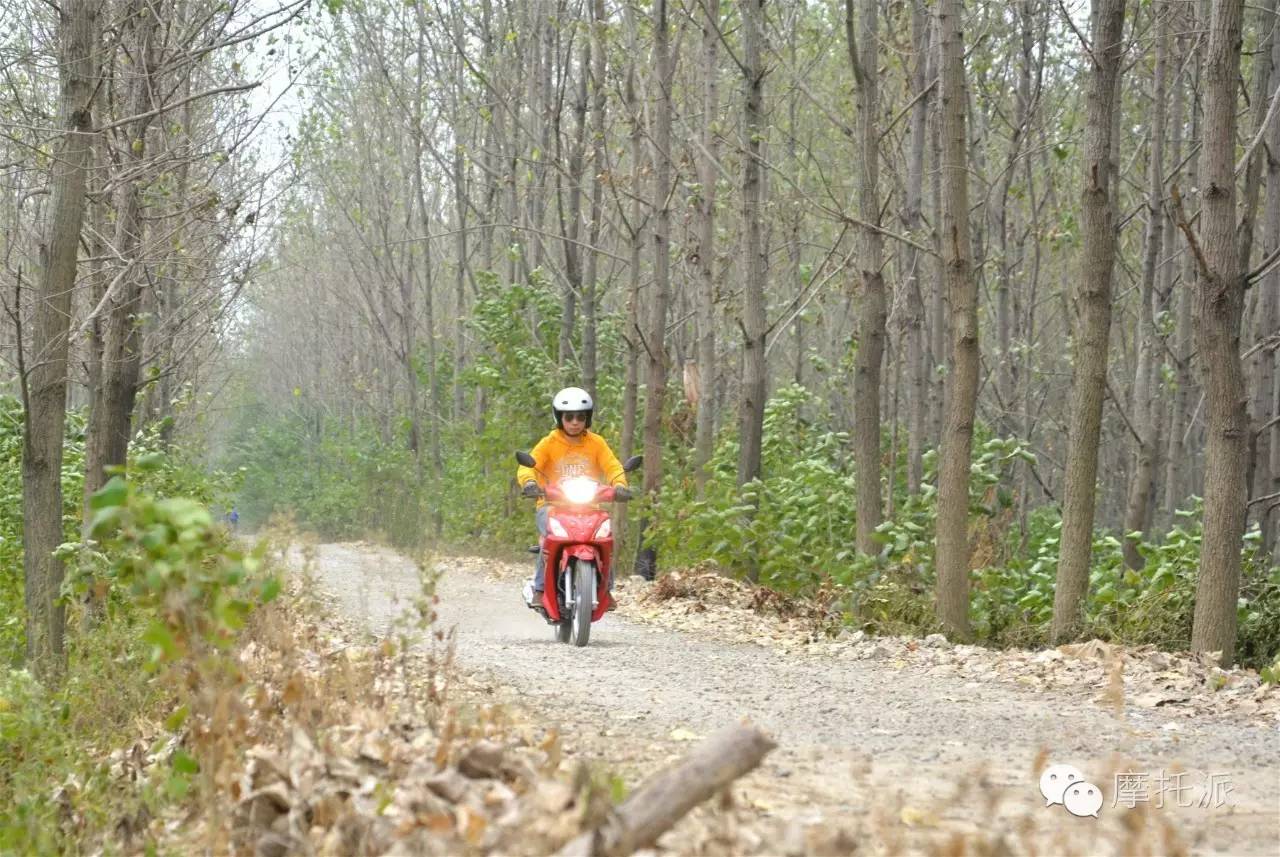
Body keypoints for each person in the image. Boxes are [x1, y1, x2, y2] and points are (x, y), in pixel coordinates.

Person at [517, 386, 631, 607]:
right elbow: (528, 466)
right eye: (569, 417)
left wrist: (620, 485)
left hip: (589, 507)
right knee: (549, 540)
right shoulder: (549, 442)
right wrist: (530, 483)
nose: (575, 422)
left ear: (587, 418)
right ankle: (540, 589)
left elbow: (613, 466)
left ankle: (606, 590)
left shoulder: (596, 443)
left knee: (605, 538)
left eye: (581, 416)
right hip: (552, 505)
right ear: (560, 418)